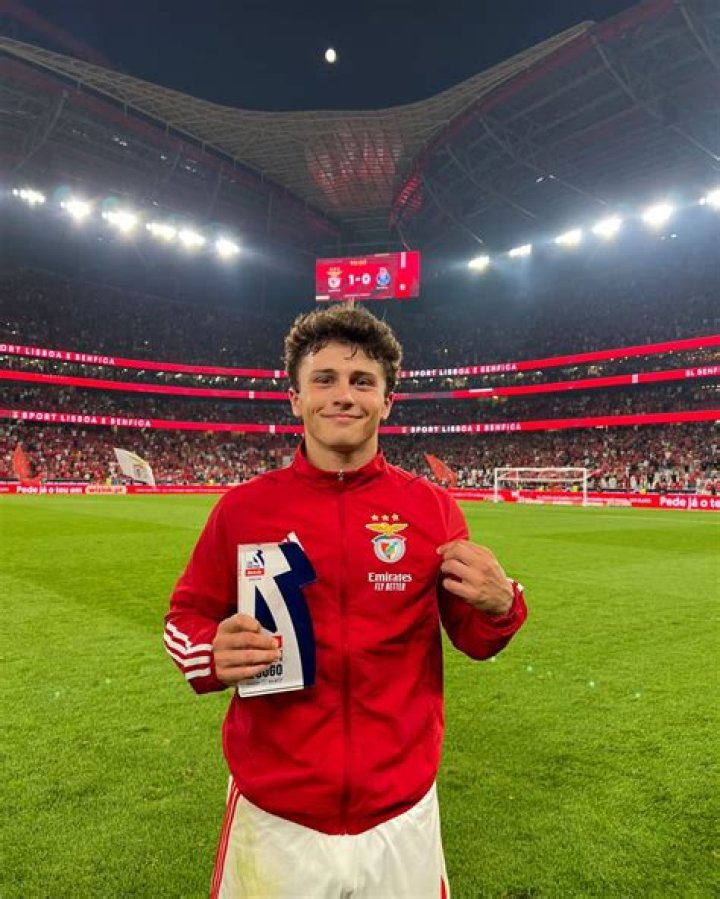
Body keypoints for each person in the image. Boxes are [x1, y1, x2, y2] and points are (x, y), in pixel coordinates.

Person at [164, 304, 527, 899]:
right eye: (324, 379)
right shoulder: (242, 509)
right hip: (275, 817)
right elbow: (186, 617)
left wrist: (501, 605)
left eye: (362, 381)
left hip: (401, 815)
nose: (343, 396)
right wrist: (209, 651)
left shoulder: (432, 509)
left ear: (387, 402)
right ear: (296, 398)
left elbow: (474, 637)